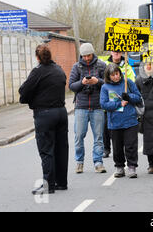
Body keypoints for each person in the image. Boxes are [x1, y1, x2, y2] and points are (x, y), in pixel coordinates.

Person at [19, 44, 68, 195]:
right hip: (61, 112)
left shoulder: (37, 71)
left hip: (45, 114)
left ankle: (48, 185)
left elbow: (24, 90)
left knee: (47, 150)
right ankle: (61, 182)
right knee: (61, 149)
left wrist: (29, 99)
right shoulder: (59, 70)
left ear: (37, 57)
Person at [68, 43, 107, 174]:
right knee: (79, 136)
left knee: (98, 137)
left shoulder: (101, 65)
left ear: (93, 53)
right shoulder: (76, 66)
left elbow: (110, 82)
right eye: (84, 56)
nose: (86, 58)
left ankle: (98, 162)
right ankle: (79, 162)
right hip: (81, 107)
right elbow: (71, 86)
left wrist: (98, 82)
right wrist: (82, 83)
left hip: (98, 106)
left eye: (88, 55)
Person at [100, 63, 142, 178]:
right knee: (117, 147)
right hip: (114, 122)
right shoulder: (105, 87)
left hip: (130, 120)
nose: (115, 77)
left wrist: (129, 97)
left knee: (131, 145)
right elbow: (103, 104)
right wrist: (119, 103)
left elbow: (138, 97)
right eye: (112, 75)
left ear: (120, 73)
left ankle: (132, 167)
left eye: (117, 74)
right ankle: (119, 166)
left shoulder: (128, 82)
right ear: (108, 76)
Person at [99, 51, 136, 158]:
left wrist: (127, 94)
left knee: (123, 134)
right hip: (110, 103)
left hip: (125, 104)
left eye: (119, 51)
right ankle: (106, 148)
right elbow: (102, 80)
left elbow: (132, 82)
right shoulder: (104, 63)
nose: (116, 53)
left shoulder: (127, 66)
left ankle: (126, 154)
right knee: (106, 128)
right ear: (111, 51)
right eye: (114, 51)